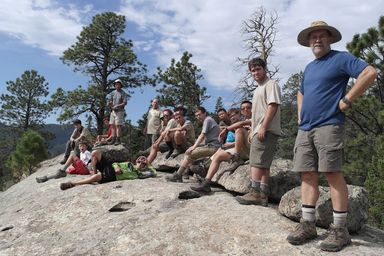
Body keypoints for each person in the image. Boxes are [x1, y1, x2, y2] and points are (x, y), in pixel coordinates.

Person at [286, 21, 377, 252]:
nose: (317, 39)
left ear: (330, 39)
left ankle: (340, 230)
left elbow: (370, 72)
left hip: (329, 125)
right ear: (308, 42)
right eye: (313, 37)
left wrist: (347, 100)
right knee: (307, 174)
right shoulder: (309, 68)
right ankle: (308, 224)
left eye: (322, 36)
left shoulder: (341, 58)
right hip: (305, 129)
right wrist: (300, 116)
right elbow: (301, 91)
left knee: (332, 173)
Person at [235, 57, 281, 207]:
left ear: (264, 69)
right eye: (252, 70)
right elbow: (257, 113)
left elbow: (272, 106)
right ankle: (262, 195)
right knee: (263, 164)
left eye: (258, 69)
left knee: (255, 162)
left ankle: (254, 192)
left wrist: (263, 127)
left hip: (266, 130)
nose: (255, 72)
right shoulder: (257, 90)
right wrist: (252, 130)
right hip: (260, 129)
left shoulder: (271, 84)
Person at [190, 108, 243, 193]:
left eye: (234, 115)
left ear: (240, 115)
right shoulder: (228, 126)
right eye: (231, 116)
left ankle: (205, 175)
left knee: (218, 154)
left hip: (239, 149)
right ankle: (205, 176)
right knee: (218, 152)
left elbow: (244, 140)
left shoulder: (242, 127)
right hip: (227, 147)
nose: (232, 117)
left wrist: (230, 143)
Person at [165, 107, 221, 182]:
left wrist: (194, 147)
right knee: (191, 153)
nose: (198, 117)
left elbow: (202, 135)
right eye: (196, 115)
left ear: (205, 113)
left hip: (213, 147)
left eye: (199, 114)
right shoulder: (209, 120)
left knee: (190, 153)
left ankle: (179, 175)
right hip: (211, 146)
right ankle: (184, 173)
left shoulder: (207, 120)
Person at [60, 154, 156, 190]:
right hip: (112, 169)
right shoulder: (128, 163)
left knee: (96, 178)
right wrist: (117, 167)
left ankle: (73, 183)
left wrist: (148, 163)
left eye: (143, 163)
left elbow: (153, 173)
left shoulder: (138, 174)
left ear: (144, 167)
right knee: (95, 153)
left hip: (113, 176)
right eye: (139, 160)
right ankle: (94, 171)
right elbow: (115, 163)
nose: (140, 162)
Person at [220, 100, 252, 173]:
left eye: (248, 107)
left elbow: (241, 123)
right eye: (243, 108)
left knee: (239, 130)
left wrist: (226, 129)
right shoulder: (244, 120)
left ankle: (236, 158)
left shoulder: (255, 117)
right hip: (246, 147)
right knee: (218, 153)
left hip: (253, 146)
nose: (245, 109)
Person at [108, 79, 128, 145]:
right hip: (113, 111)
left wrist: (118, 105)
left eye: (118, 84)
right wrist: (110, 104)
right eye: (116, 84)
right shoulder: (113, 93)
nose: (117, 85)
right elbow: (110, 101)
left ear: (120, 85)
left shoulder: (123, 93)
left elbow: (125, 102)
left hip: (120, 111)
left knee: (118, 125)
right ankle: (113, 139)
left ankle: (118, 139)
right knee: (112, 125)